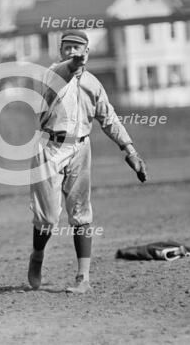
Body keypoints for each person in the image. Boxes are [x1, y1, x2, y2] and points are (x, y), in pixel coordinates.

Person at [28, 29, 148, 293]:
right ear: (60, 52)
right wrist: (74, 63)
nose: (72, 51)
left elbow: (109, 118)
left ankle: (83, 279)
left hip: (81, 147)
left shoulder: (93, 84)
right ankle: (37, 256)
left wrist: (129, 150)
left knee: (81, 214)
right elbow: (65, 71)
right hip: (49, 147)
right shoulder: (51, 75)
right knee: (47, 218)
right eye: (67, 47)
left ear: (88, 52)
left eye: (78, 48)